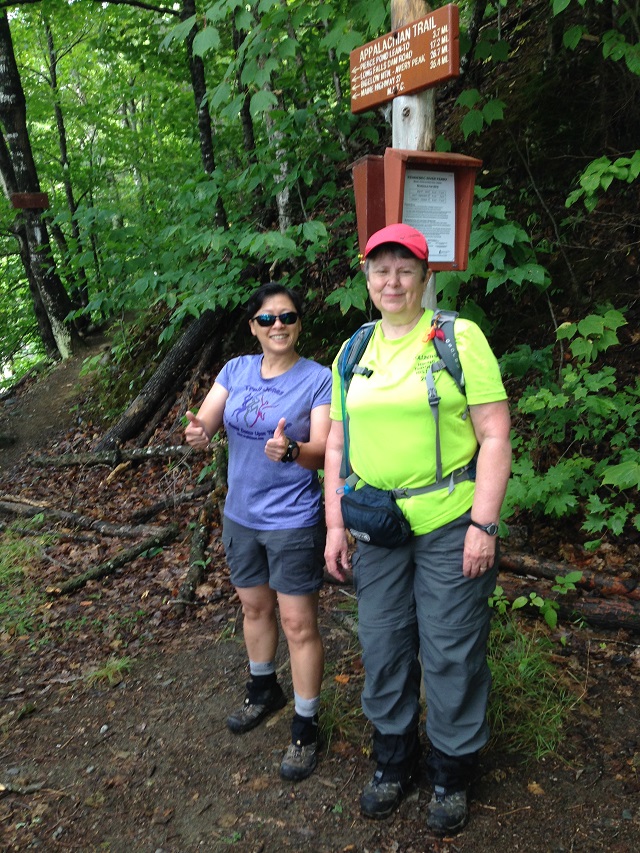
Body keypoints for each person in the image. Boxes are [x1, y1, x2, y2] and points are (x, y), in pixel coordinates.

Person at [324, 224, 512, 834]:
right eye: (381, 270)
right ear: (367, 278)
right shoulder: (354, 351)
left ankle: (452, 769)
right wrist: (334, 523)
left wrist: (484, 523)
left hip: (450, 519)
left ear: (426, 278)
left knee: (451, 646)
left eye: (405, 269)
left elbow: (494, 435)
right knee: (381, 642)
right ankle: (394, 758)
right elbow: (337, 444)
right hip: (377, 522)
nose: (393, 281)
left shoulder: (457, 338)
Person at [185, 282, 331, 782]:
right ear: (253, 327)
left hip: (293, 520)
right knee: (254, 607)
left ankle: (306, 724)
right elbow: (206, 420)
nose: (278, 326)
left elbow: (326, 452)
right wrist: (199, 431)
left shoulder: (319, 379)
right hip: (241, 515)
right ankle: (263, 688)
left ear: (298, 323)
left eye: (287, 317)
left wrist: (292, 450)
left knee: (298, 624)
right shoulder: (236, 370)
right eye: (267, 319)